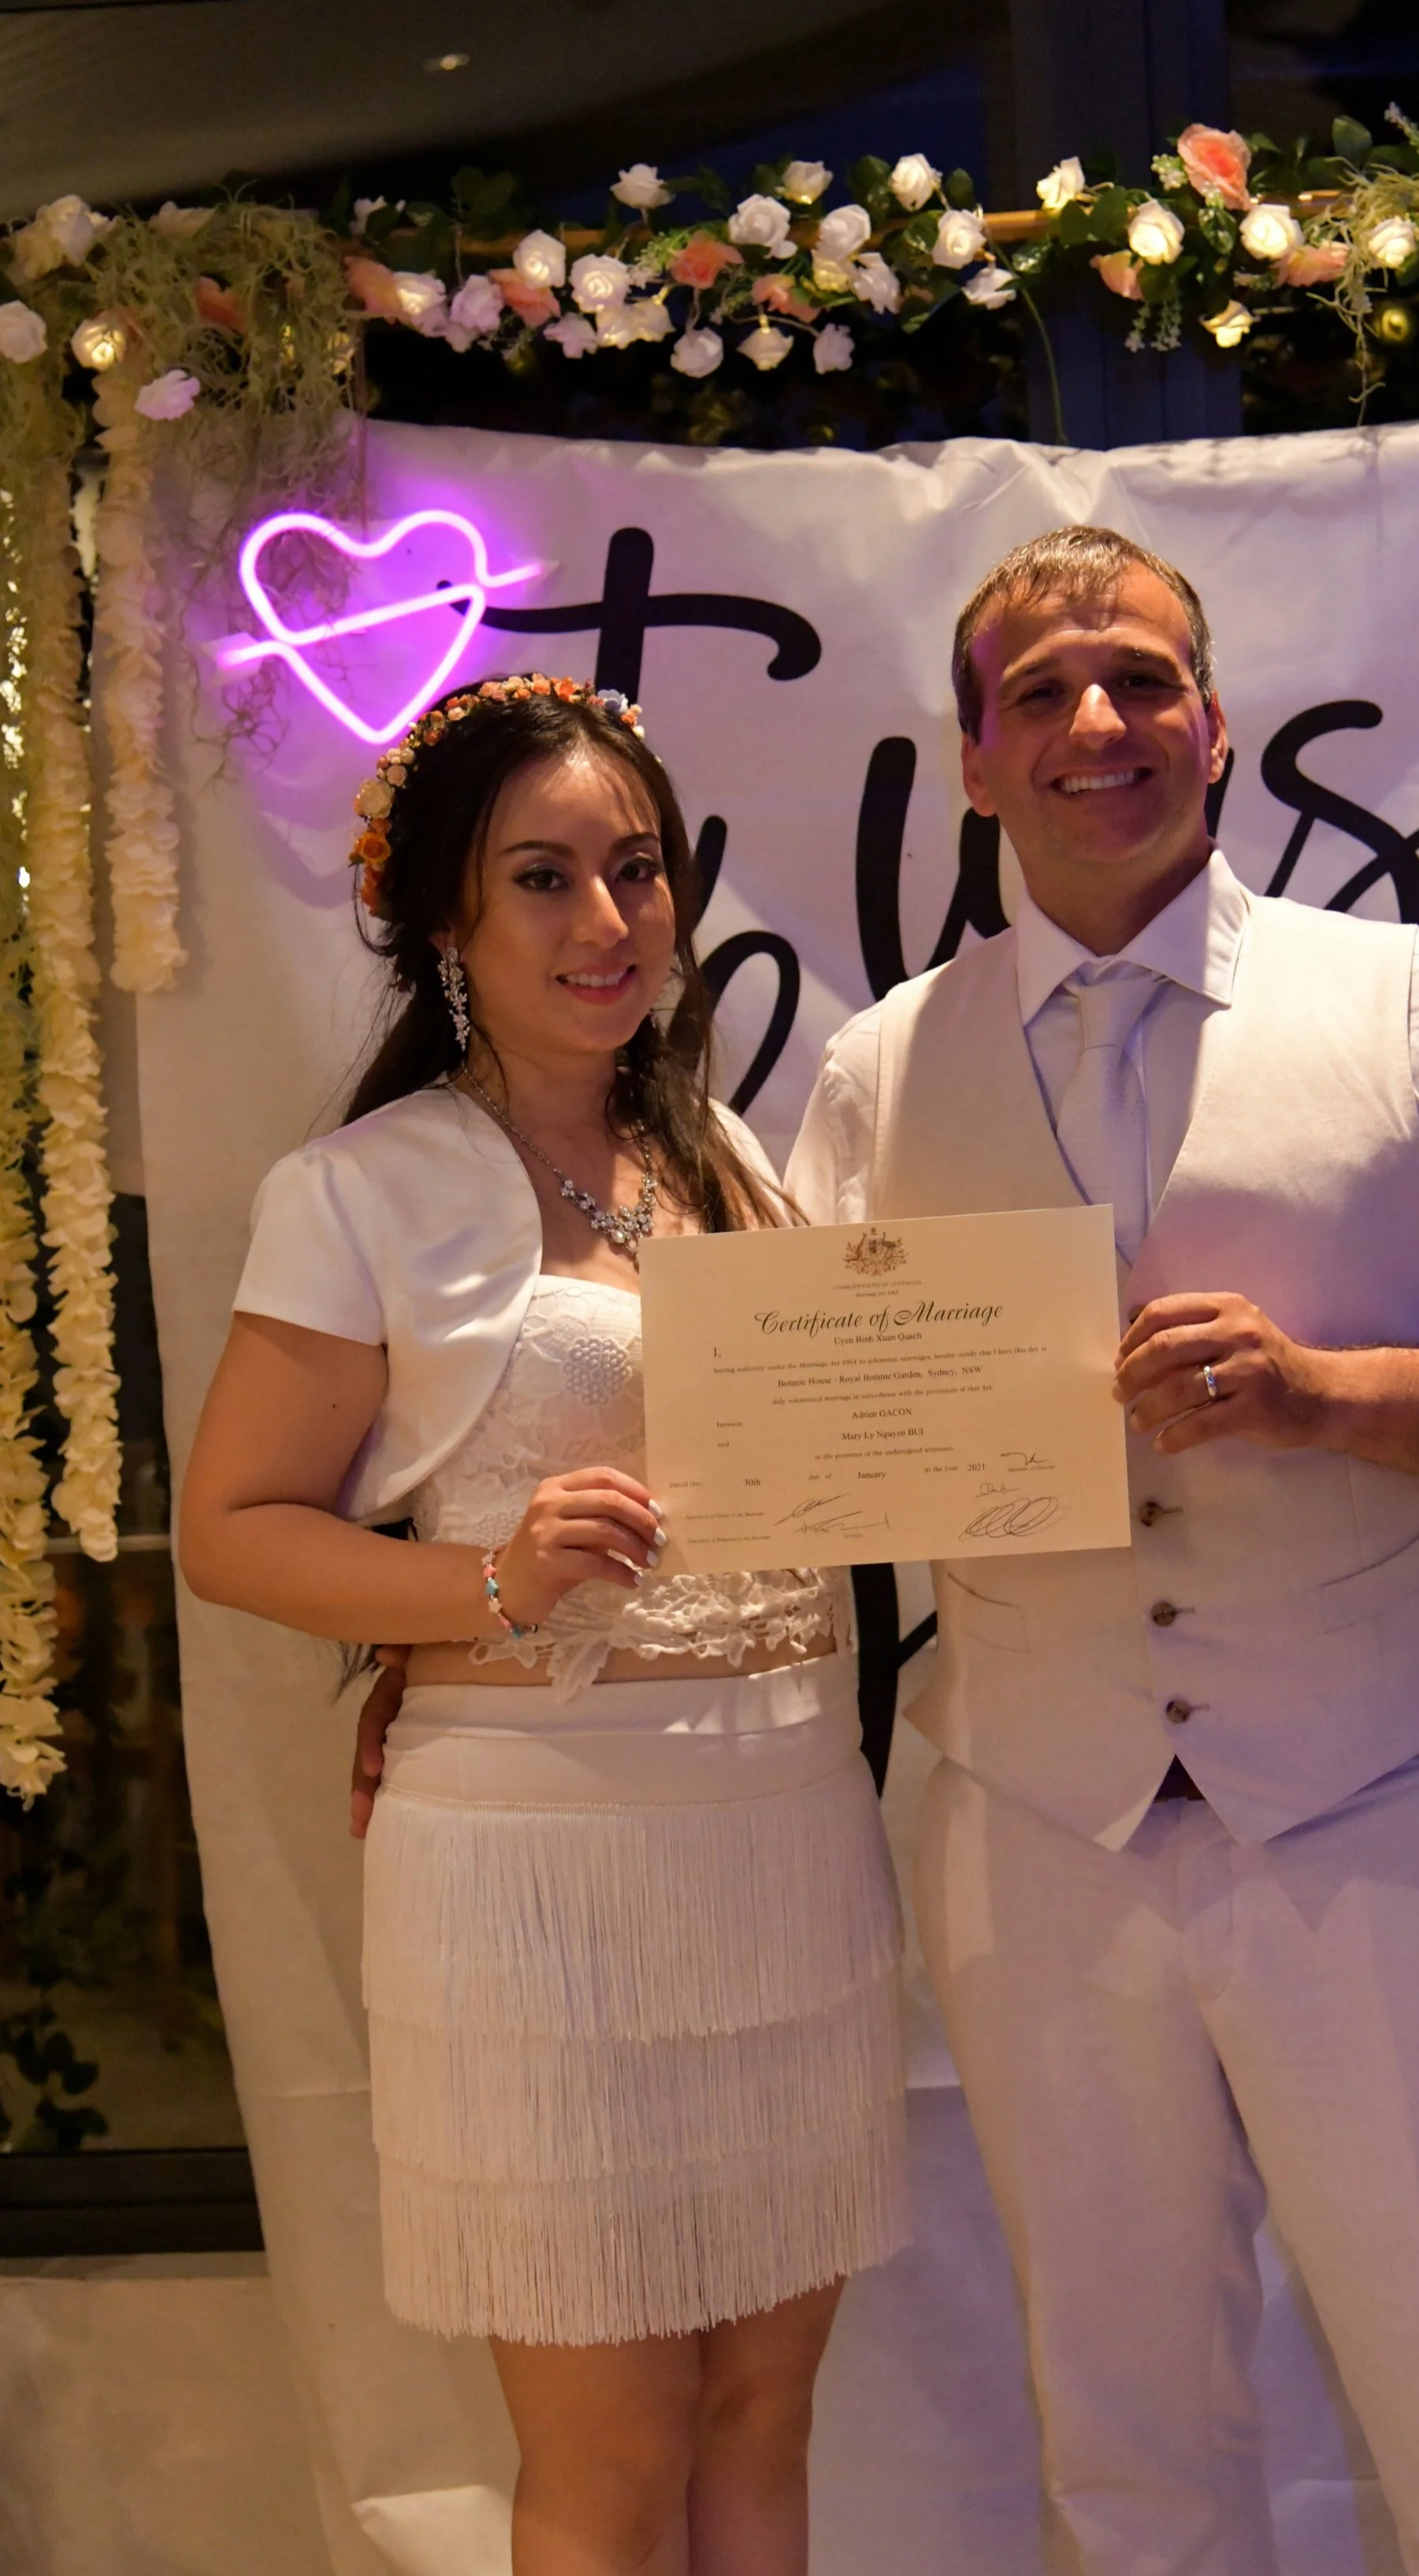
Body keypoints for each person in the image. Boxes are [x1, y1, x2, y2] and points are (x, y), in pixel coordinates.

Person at [781, 529, 1419, 2576]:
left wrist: (1327, 1395)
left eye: (1137, 678)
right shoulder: (870, 1070)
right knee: (1118, 2438)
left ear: (1216, 723)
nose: (1096, 723)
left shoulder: (1416, 1007)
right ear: (974, 760)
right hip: (1034, 1823)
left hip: (1377, 1812)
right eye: (1043, 693)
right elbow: (814, 1458)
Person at [181, 674, 907, 2576]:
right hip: (533, 1862)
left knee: (765, 2410)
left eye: (635, 870)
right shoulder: (363, 1187)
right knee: (607, 2455)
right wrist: (480, 1589)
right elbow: (232, 1531)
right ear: (447, 922)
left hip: (782, 1831)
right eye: (542, 880)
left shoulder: (737, 1166)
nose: (607, 924)